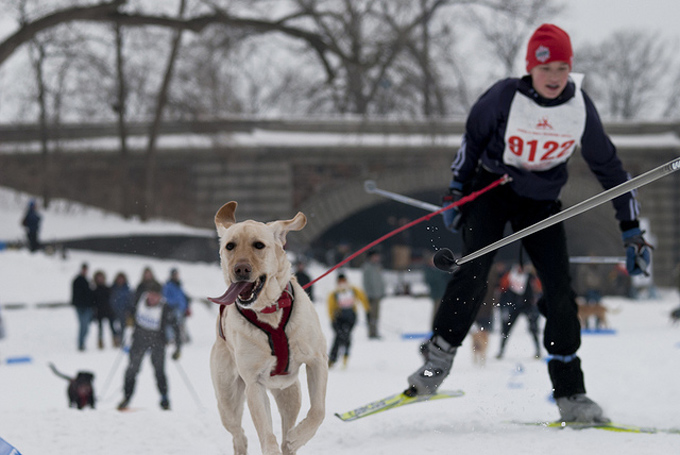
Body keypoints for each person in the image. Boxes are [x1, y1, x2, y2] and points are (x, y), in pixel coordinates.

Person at [405, 24, 651, 424]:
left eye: (561, 67)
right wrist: (455, 192)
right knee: (474, 269)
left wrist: (632, 230)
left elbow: (612, 171)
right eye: (545, 67)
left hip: (541, 202)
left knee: (559, 287)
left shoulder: (579, 108)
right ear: (530, 68)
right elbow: (470, 142)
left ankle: (571, 392)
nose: (554, 76)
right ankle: (437, 360)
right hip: (491, 189)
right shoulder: (505, 96)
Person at [118, 282, 181, 411]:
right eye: (151, 295)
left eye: (156, 296)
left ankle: (164, 399)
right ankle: (126, 398)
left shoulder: (165, 308)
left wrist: (178, 347)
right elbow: (128, 313)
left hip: (157, 342)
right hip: (138, 341)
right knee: (131, 370)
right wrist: (128, 324)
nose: (153, 299)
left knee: (159, 371)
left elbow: (176, 327)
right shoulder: (138, 301)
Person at [495, 263, 542, 360]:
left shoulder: (530, 277)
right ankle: (501, 350)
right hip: (514, 305)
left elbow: (538, 287)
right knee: (506, 328)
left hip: (528, 305)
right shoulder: (510, 275)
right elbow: (502, 287)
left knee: (533, 329)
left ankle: (538, 351)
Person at [327, 273, 370, 369]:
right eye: (340, 281)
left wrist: (367, 311)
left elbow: (363, 298)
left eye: (343, 281)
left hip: (351, 317)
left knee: (346, 336)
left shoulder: (353, 290)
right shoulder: (334, 293)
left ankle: (345, 355)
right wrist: (332, 319)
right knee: (338, 337)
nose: (342, 283)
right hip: (339, 318)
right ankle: (333, 358)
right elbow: (330, 306)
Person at [361, 250, 385, 339]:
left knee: (376, 315)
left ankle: (375, 331)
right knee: (371, 315)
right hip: (370, 296)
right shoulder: (367, 268)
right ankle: (371, 333)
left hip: (378, 295)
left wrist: (382, 291)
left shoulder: (378, 267)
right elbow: (365, 282)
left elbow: (381, 281)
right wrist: (368, 294)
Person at [162, 268, 190, 343]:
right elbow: (166, 297)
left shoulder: (179, 285)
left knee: (181, 324)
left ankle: (182, 337)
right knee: (172, 324)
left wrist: (186, 305)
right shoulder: (168, 285)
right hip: (173, 309)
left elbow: (182, 296)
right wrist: (174, 303)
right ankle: (171, 338)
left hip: (181, 309)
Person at [71, 263, 95, 351]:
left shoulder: (87, 281)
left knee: (86, 327)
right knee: (83, 325)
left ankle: (82, 343)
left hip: (87, 306)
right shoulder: (78, 280)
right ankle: (81, 344)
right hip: (81, 307)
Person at [92, 270, 117, 349]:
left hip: (108, 310)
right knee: (100, 329)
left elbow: (112, 300)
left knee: (112, 327)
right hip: (99, 311)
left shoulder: (108, 289)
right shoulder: (95, 290)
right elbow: (93, 302)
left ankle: (116, 341)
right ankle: (100, 343)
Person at [109, 272, 133, 347]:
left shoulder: (127, 289)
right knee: (113, 326)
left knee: (123, 326)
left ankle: (121, 340)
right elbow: (110, 300)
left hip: (124, 311)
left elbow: (130, 300)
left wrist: (128, 310)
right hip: (114, 311)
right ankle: (116, 339)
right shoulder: (113, 289)